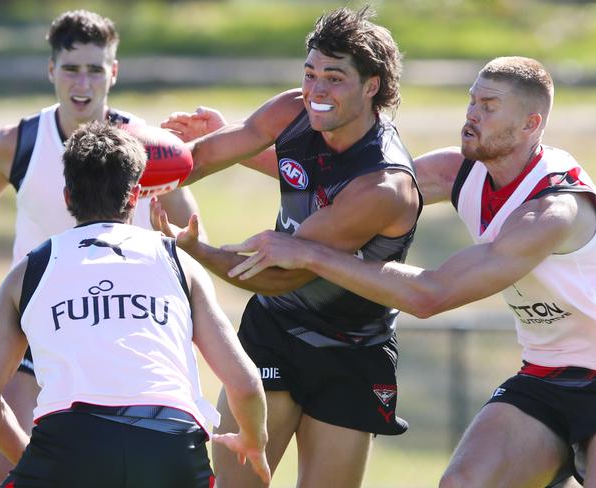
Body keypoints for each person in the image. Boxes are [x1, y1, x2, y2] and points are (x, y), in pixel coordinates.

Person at [221, 56, 596, 487]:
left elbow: (431, 294)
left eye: (489, 106)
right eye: (472, 101)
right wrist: (224, 139)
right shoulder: (459, 171)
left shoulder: (552, 211)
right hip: (546, 376)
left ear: (530, 124)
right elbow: (359, 186)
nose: (471, 114)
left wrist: (309, 255)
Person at [153, 6, 421, 488]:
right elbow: (203, 156)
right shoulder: (291, 111)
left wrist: (194, 248)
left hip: (353, 350)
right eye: (311, 73)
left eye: (334, 78)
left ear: (372, 85)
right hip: (275, 328)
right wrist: (134, 173)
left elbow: (283, 272)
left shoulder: (381, 187)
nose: (316, 89)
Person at [0, 10, 206, 487]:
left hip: (118, 324)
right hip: (34, 326)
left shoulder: (144, 146)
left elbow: (189, 228)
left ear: (112, 73)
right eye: (72, 68)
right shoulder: (16, 144)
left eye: (95, 69)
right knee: (1, 467)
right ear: (51, 70)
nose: (83, 81)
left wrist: (172, 195)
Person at [0, 121, 270, 487]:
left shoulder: (29, 270)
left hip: (69, 444)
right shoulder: (179, 263)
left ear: (67, 196)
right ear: (135, 197)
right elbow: (246, 383)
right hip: (171, 446)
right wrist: (253, 441)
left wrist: (31, 460)